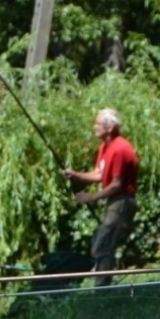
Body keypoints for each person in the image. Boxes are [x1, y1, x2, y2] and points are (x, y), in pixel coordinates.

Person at [60, 108, 139, 285]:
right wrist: (76, 175)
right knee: (101, 242)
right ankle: (101, 286)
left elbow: (117, 185)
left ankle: (102, 289)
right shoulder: (105, 147)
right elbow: (99, 174)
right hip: (114, 201)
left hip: (122, 202)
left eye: (97, 123)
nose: (94, 127)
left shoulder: (120, 149)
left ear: (109, 127)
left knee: (103, 244)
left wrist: (92, 197)